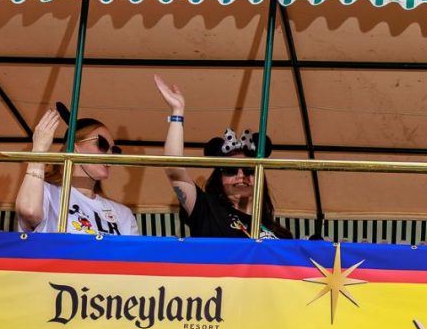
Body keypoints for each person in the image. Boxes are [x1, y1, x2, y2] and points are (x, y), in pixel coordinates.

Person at [155, 75, 293, 239]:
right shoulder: (207, 211)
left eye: (249, 169)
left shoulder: (280, 234)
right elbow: (173, 169)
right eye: (230, 170)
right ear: (219, 177)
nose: (241, 175)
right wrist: (177, 112)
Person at [15, 104, 138, 237]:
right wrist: (39, 150)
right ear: (75, 147)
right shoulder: (45, 192)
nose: (110, 155)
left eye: (114, 150)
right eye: (102, 144)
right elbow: (29, 211)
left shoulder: (123, 214)